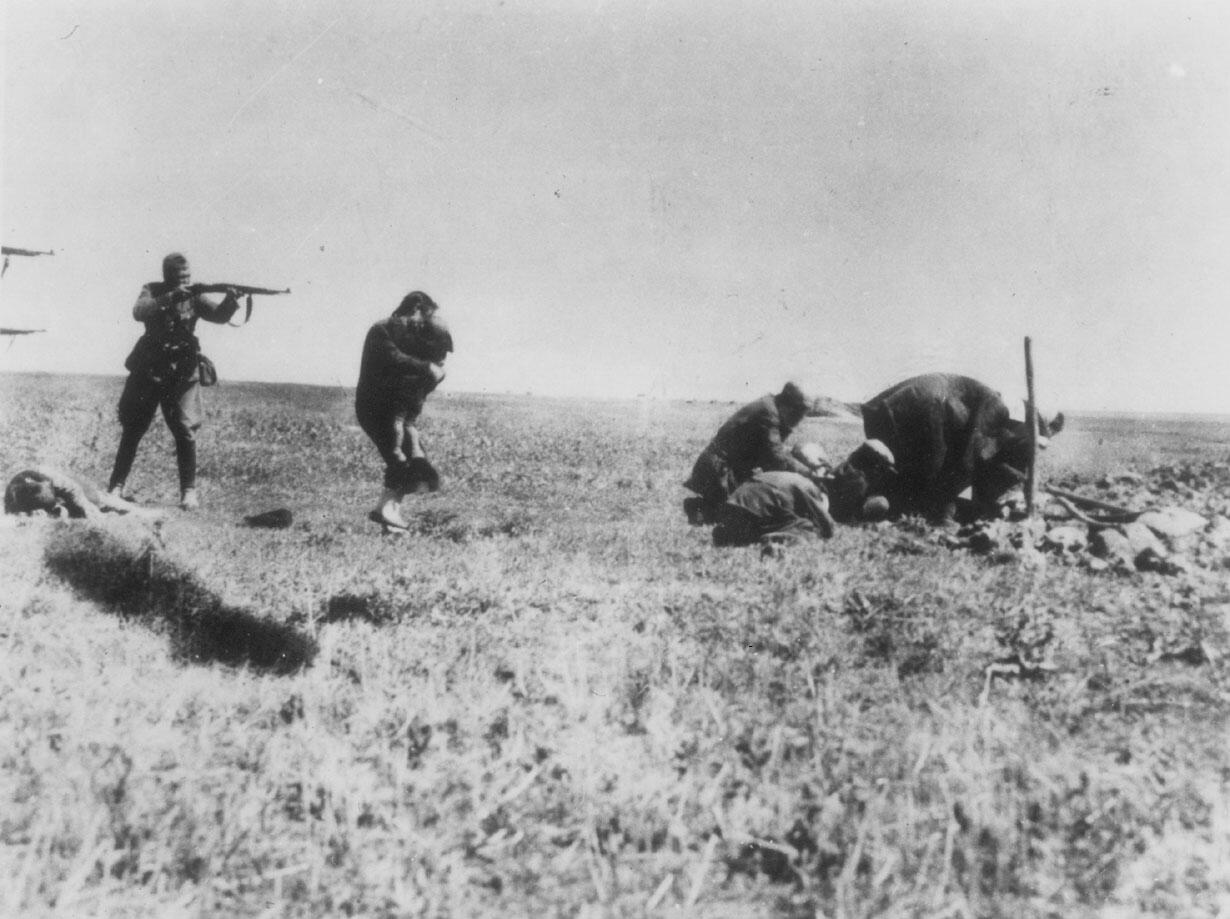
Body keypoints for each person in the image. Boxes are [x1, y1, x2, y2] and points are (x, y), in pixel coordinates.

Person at [107, 253, 242, 510]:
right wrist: (170, 297)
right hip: (148, 367)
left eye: (188, 277)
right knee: (133, 428)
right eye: (180, 278)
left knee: (185, 430)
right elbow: (139, 312)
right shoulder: (152, 290)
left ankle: (188, 493)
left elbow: (219, 316)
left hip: (182, 369)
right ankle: (116, 487)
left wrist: (231, 300)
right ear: (167, 277)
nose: (185, 282)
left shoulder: (195, 295)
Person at [355, 291, 450, 532]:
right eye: (426, 315)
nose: (424, 322)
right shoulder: (382, 330)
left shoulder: (408, 337)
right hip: (377, 409)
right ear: (417, 308)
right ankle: (387, 512)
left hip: (398, 413)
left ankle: (390, 516)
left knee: (414, 462)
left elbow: (417, 382)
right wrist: (427, 367)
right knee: (399, 460)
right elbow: (392, 358)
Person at [683, 382, 820, 524]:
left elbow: (771, 455)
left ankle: (706, 507)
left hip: (727, 469)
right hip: (719, 472)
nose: (798, 420)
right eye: (798, 413)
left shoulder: (770, 408)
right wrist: (809, 474)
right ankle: (701, 508)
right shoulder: (768, 413)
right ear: (787, 405)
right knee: (744, 515)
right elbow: (776, 458)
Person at [387, 308, 453, 464]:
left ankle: (396, 450)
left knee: (398, 419)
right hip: (422, 389)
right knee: (409, 422)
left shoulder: (422, 340)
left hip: (411, 385)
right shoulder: (442, 336)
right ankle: (416, 450)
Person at [711, 470, 836, 547]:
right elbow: (826, 523)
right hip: (756, 510)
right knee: (806, 526)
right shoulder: (810, 488)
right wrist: (827, 531)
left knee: (781, 517)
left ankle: (728, 533)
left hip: (732, 506)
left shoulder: (786, 477)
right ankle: (776, 536)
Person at [6, 467, 160, 519]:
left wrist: (90, 512)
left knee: (96, 500)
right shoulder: (13, 496)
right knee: (66, 515)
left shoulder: (58, 481)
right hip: (37, 500)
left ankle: (139, 511)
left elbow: (76, 493)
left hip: (69, 489)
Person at [823, 439, 896, 523]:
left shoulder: (847, 467)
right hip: (836, 511)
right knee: (882, 503)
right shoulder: (859, 481)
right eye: (882, 468)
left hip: (830, 502)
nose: (881, 473)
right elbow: (845, 512)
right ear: (874, 465)